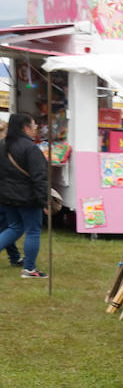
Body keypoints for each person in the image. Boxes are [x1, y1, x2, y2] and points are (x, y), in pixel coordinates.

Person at [0, 114, 49, 278]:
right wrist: (45, 201)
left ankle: (28, 267)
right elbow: (39, 177)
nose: (36, 130)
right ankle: (29, 269)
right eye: (34, 126)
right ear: (25, 127)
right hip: (28, 198)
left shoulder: (2, 145)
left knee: (14, 228)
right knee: (33, 231)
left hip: (6, 196)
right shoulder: (30, 148)